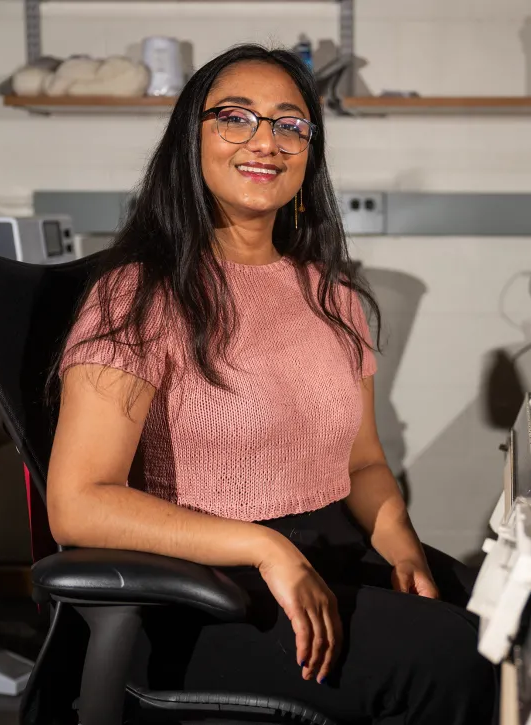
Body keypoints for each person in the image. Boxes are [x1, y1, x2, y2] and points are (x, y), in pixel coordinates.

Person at [46, 43, 497, 725]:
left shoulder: (333, 295)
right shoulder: (136, 296)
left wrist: (401, 540)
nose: (267, 140)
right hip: (204, 591)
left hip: (330, 550)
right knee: (461, 663)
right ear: (189, 141)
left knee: (522, 622)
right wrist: (264, 546)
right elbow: (77, 503)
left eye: (291, 124)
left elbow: (365, 461)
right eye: (237, 118)